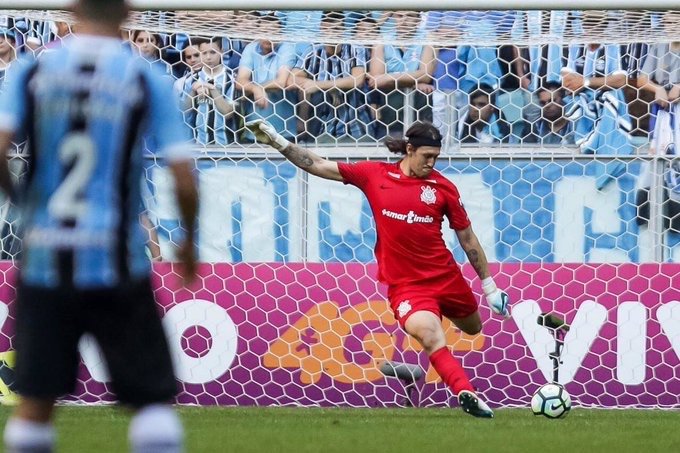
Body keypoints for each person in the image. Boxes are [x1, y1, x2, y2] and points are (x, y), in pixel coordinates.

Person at [0, 1, 199, 452]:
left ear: (70, 9)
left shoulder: (30, 70)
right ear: (128, 11)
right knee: (151, 406)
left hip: (46, 261)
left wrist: (26, 206)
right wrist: (187, 240)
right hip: (118, 260)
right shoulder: (146, 76)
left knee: (35, 403)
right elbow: (183, 174)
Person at [246, 119, 510, 418]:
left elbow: (467, 238)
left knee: (473, 328)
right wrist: (279, 142)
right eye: (427, 156)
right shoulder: (375, 175)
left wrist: (489, 286)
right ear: (409, 150)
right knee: (429, 334)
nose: (432, 162)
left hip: (446, 278)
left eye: (436, 156)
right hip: (408, 286)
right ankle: (467, 393)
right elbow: (318, 164)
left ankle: (463, 374)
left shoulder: (443, 188)